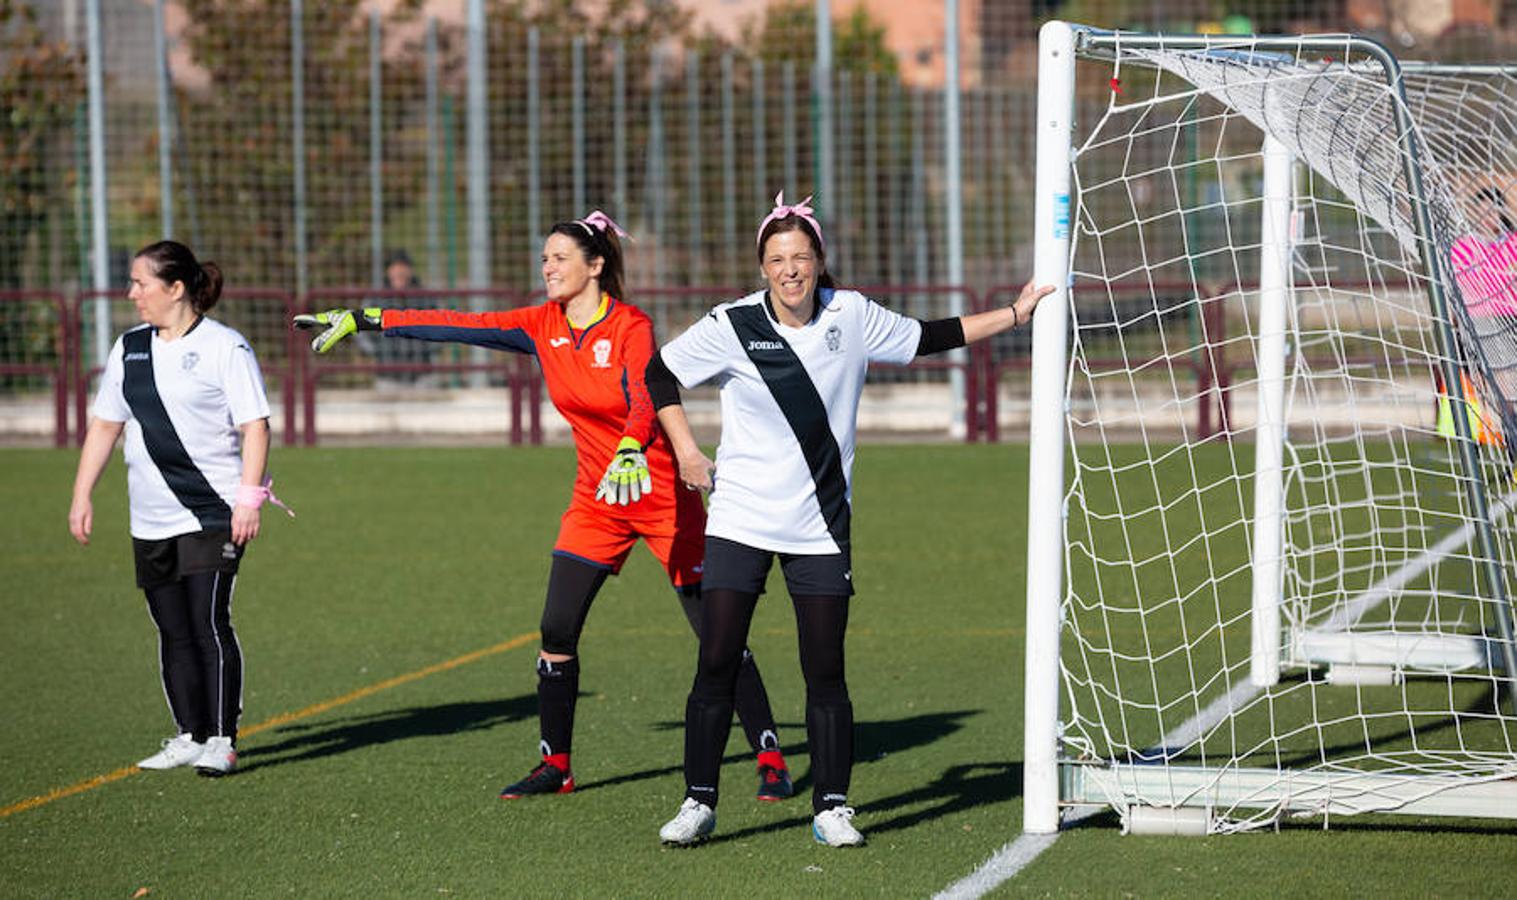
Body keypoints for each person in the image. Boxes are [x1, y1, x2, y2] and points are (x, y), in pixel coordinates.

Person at [293, 211, 794, 801]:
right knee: (557, 628)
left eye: (559, 257)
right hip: (597, 501)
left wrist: (634, 446)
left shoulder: (631, 325)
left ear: (596, 266)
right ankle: (556, 765)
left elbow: (645, 396)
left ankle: (769, 756)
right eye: (545, 257)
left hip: (662, 497)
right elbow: (457, 323)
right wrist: (366, 318)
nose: (547, 266)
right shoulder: (540, 325)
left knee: (717, 634)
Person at [648, 192, 1054, 847]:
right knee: (716, 659)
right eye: (777, 259)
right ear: (761, 268)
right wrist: (687, 449)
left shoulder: (853, 315)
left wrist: (1015, 312)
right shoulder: (731, 323)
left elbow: (929, 337)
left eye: (801, 257)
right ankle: (697, 802)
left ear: (818, 263)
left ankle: (831, 807)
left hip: (819, 527)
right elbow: (658, 373)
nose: (790, 270)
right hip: (739, 519)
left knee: (825, 670)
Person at [69, 240, 284, 778]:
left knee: (208, 622)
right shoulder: (130, 348)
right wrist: (81, 493)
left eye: (141, 283)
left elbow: (254, 425)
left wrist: (248, 499)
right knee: (171, 628)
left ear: (176, 287)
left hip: (211, 513)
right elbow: (106, 425)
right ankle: (190, 733)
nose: (131, 293)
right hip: (150, 518)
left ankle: (222, 740)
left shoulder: (224, 347)